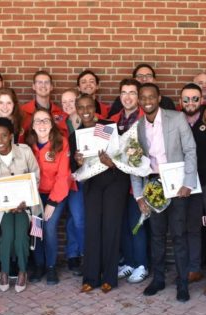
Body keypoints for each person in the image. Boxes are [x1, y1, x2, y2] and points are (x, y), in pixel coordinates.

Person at [131, 83, 197, 302]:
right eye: (143, 97)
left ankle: (182, 283)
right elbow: (134, 162)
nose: (147, 100)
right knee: (157, 235)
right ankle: (158, 279)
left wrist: (188, 182)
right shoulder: (138, 126)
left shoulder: (176, 118)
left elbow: (190, 150)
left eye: (151, 96)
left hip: (177, 184)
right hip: (153, 184)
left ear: (158, 98)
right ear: (139, 101)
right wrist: (139, 195)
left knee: (179, 235)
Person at [70, 94, 129, 293]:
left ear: (95, 108)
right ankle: (91, 278)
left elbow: (121, 155)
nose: (85, 110)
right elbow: (72, 169)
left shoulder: (105, 127)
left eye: (89, 106)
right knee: (93, 228)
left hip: (115, 181)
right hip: (93, 184)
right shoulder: (76, 136)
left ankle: (110, 278)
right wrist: (77, 162)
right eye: (81, 107)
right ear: (76, 110)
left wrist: (111, 163)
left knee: (111, 228)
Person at [0, 117, 40, 293]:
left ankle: (23, 271)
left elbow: (35, 176)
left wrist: (25, 200)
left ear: (11, 136)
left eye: (4, 136)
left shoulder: (24, 152)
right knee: (7, 235)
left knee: (21, 234)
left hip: (25, 205)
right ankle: (5, 271)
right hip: (2, 207)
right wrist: (7, 203)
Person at [179, 83, 206, 296]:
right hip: (188, 184)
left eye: (195, 98)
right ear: (180, 102)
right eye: (186, 99)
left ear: (201, 100)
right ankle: (194, 269)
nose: (190, 103)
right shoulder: (176, 120)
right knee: (192, 227)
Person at [110, 79, 149, 284]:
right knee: (123, 223)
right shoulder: (111, 120)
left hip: (139, 180)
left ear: (139, 96)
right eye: (124, 92)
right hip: (117, 181)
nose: (127, 96)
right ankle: (130, 262)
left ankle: (142, 264)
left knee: (137, 223)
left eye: (132, 92)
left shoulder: (145, 119)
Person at [26, 109, 71, 284]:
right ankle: (39, 265)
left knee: (49, 227)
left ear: (52, 124)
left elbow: (63, 176)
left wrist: (52, 202)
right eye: (38, 121)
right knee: (36, 229)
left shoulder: (61, 143)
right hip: (35, 196)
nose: (42, 124)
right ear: (32, 125)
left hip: (55, 195)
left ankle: (51, 267)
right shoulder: (27, 144)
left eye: (46, 120)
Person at [60, 89, 86, 274]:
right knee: (73, 218)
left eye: (71, 101)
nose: (68, 105)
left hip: (86, 177)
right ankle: (73, 254)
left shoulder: (90, 120)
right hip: (65, 179)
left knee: (79, 218)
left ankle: (84, 254)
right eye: (64, 102)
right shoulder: (59, 125)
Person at [108, 64, 176, 117]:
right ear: (134, 80)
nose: (144, 79)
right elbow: (111, 122)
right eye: (139, 76)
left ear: (155, 80)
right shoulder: (122, 100)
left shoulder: (166, 102)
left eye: (148, 76)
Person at [21, 70, 68, 137]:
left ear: (51, 87)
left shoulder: (60, 113)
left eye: (46, 82)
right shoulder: (23, 111)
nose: (43, 85)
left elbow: (64, 136)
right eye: (39, 82)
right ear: (33, 86)